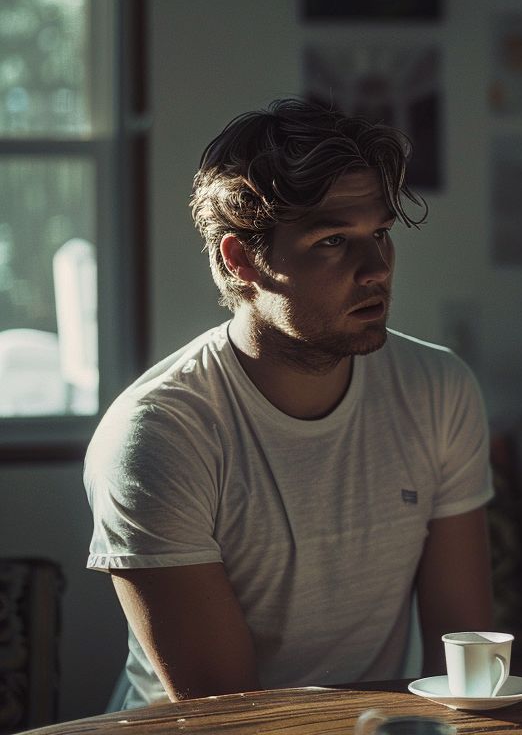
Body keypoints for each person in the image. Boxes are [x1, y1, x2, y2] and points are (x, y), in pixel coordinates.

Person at [84, 99, 495, 708]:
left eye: (379, 234)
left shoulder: (438, 389)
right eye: (332, 240)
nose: (375, 268)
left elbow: (465, 659)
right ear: (242, 260)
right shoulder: (158, 436)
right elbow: (230, 713)